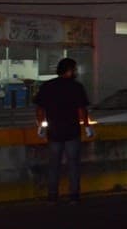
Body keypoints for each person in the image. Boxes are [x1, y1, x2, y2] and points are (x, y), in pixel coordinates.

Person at [34, 58, 93, 204]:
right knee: (73, 164)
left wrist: (41, 126)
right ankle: (74, 195)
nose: (76, 72)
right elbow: (81, 110)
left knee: (54, 165)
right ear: (70, 70)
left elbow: (40, 109)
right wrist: (86, 126)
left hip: (54, 132)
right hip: (72, 131)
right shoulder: (76, 87)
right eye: (74, 69)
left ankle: (52, 196)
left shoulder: (48, 86)